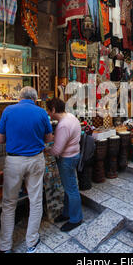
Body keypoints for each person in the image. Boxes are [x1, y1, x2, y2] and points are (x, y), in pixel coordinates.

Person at [0, 87, 53, 253]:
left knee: (9, 203)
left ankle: (5, 246)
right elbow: (49, 138)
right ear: (34, 99)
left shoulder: (8, 110)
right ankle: (32, 242)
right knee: (35, 200)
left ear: (19, 97)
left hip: (14, 161)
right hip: (36, 159)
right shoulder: (42, 113)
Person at [46, 98, 83, 232]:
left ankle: (76, 218)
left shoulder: (63, 125)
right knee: (69, 187)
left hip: (67, 159)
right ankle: (68, 213)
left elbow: (57, 151)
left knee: (71, 189)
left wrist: (46, 150)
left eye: (49, 110)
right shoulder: (71, 117)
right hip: (74, 155)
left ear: (54, 109)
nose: (48, 113)